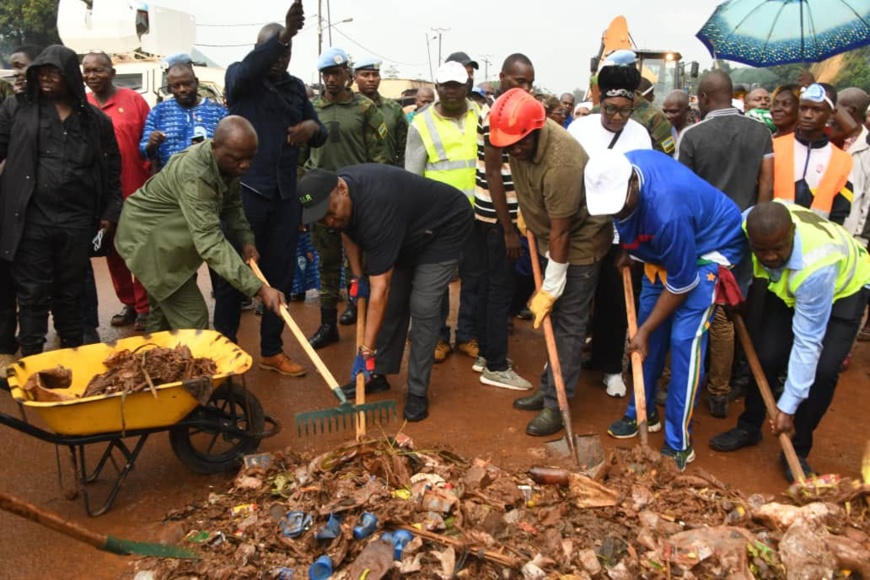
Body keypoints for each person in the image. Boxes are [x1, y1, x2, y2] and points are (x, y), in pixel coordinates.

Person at [585, 149, 745, 471]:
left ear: (633, 184)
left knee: (683, 340)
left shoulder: (667, 211)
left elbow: (682, 283)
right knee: (646, 336)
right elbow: (629, 219)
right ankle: (642, 412)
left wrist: (644, 331)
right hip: (665, 250)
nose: (616, 211)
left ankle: (678, 442)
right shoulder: (613, 169)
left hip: (708, 249)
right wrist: (632, 248)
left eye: (620, 205)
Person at [297, 164, 473, 422]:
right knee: (393, 305)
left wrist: (365, 351)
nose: (330, 222)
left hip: (444, 227)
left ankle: (417, 391)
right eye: (323, 219)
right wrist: (358, 276)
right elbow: (347, 231)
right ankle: (376, 375)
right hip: (406, 231)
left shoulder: (376, 206)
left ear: (342, 189)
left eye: (331, 213)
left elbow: (381, 288)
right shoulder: (341, 202)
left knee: (423, 306)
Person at [710, 202, 870, 481]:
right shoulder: (749, 223)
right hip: (792, 281)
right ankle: (749, 427)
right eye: (762, 250)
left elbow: (808, 341)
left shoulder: (815, 268)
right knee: (767, 354)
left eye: (778, 248)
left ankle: (797, 449)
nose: (770, 257)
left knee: (823, 371)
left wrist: (787, 406)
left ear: (792, 233)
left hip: (846, 286)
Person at [211, 4, 326, 377]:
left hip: (285, 197)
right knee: (232, 276)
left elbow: (321, 130)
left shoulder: (294, 88)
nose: (280, 59)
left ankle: (272, 351)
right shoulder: (241, 78)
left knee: (280, 277)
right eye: (274, 50)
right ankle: (225, 350)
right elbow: (252, 68)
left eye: (286, 52)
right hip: (245, 195)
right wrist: (284, 35)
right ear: (260, 50)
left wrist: (310, 128)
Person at [489, 88, 611, 436]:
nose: (513, 151)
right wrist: (526, 214)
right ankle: (547, 387)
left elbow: (563, 234)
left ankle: (557, 404)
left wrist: (552, 287)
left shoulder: (561, 162)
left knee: (569, 323)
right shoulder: (517, 140)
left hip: (580, 242)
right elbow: (522, 181)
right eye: (508, 146)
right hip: (548, 235)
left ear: (536, 130)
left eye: (519, 144)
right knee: (553, 321)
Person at [0, 44, 122, 356]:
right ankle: (31, 361)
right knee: (32, 294)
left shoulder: (95, 121)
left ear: (69, 76)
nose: (46, 78)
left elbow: (112, 171)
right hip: (31, 220)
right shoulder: (17, 109)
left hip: (77, 222)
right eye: (41, 72)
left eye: (54, 72)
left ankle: (71, 358)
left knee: (71, 294)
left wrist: (110, 213)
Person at [116, 116, 284, 330]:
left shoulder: (227, 162)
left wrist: (246, 240)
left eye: (250, 158)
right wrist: (259, 289)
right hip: (149, 241)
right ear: (214, 147)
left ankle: (156, 349)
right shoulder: (195, 174)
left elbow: (232, 205)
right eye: (237, 159)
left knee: (163, 315)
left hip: (166, 239)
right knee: (193, 320)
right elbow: (210, 241)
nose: (245, 165)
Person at [677, 69, 774, 418]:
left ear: (703, 98)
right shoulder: (761, 132)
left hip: (702, 237)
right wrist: (756, 233)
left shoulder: (692, 136)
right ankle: (719, 390)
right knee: (727, 311)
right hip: (743, 235)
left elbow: (682, 194)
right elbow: (766, 186)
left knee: (694, 310)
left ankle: (691, 381)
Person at [568, 50, 652, 399]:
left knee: (615, 302)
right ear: (599, 102)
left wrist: (633, 246)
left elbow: (643, 190)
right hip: (585, 229)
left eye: (624, 110)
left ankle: (611, 368)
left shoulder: (640, 135)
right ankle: (564, 361)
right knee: (575, 298)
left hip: (622, 233)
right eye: (610, 109)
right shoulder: (579, 130)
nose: (617, 117)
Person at [303, 47, 390, 349]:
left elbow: (380, 157)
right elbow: (300, 158)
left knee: (361, 263)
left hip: (357, 201)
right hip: (321, 200)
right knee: (327, 265)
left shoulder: (365, 108)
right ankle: (328, 323)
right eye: (326, 74)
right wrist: (304, 199)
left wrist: (377, 199)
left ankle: (358, 307)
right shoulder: (311, 110)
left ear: (347, 75)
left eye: (336, 73)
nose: (330, 79)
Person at [406, 60, 480, 364]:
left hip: (477, 214)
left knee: (474, 278)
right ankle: (437, 337)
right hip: (439, 220)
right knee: (435, 280)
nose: (451, 92)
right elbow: (413, 177)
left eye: (457, 86)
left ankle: (467, 335)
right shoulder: (421, 123)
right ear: (437, 88)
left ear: (466, 87)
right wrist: (418, 220)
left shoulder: (481, 114)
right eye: (446, 86)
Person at [472, 53, 536, 391]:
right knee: (500, 289)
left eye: (530, 83)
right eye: (519, 80)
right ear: (502, 77)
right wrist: (509, 228)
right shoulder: (497, 114)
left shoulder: (504, 109)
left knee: (490, 286)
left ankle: (486, 354)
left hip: (493, 215)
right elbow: (495, 172)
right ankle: (496, 365)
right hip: (499, 217)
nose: (525, 88)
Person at [82, 51, 152, 332]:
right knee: (113, 251)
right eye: (87, 70)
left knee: (140, 250)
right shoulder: (81, 104)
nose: (92, 75)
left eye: (98, 70)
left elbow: (149, 146)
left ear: (112, 72)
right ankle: (129, 303)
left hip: (135, 191)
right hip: (100, 195)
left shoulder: (134, 101)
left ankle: (145, 306)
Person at [0, 44, 42, 367]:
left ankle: (35, 353)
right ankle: (5, 348)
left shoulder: (53, 108)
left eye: (21, 66)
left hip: (37, 211)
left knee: (33, 287)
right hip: (6, 209)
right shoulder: (9, 107)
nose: (15, 73)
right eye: (12, 66)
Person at [772, 83, 853, 226]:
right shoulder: (774, 147)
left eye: (816, 109)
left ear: (832, 113)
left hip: (820, 237)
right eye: (803, 108)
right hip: (774, 234)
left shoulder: (843, 161)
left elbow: (840, 213)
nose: (807, 115)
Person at [139, 62, 227, 170]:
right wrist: (152, 143)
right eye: (176, 86)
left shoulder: (217, 111)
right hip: (170, 178)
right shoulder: (158, 112)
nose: (182, 89)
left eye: (187, 84)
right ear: (169, 88)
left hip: (208, 178)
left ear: (196, 82)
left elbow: (228, 149)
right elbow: (144, 152)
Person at [836, 89, 870, 244]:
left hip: (853, 239)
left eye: (836, 109)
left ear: (851, 111)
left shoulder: (866, 148)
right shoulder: (832, 140)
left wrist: (861, 240)